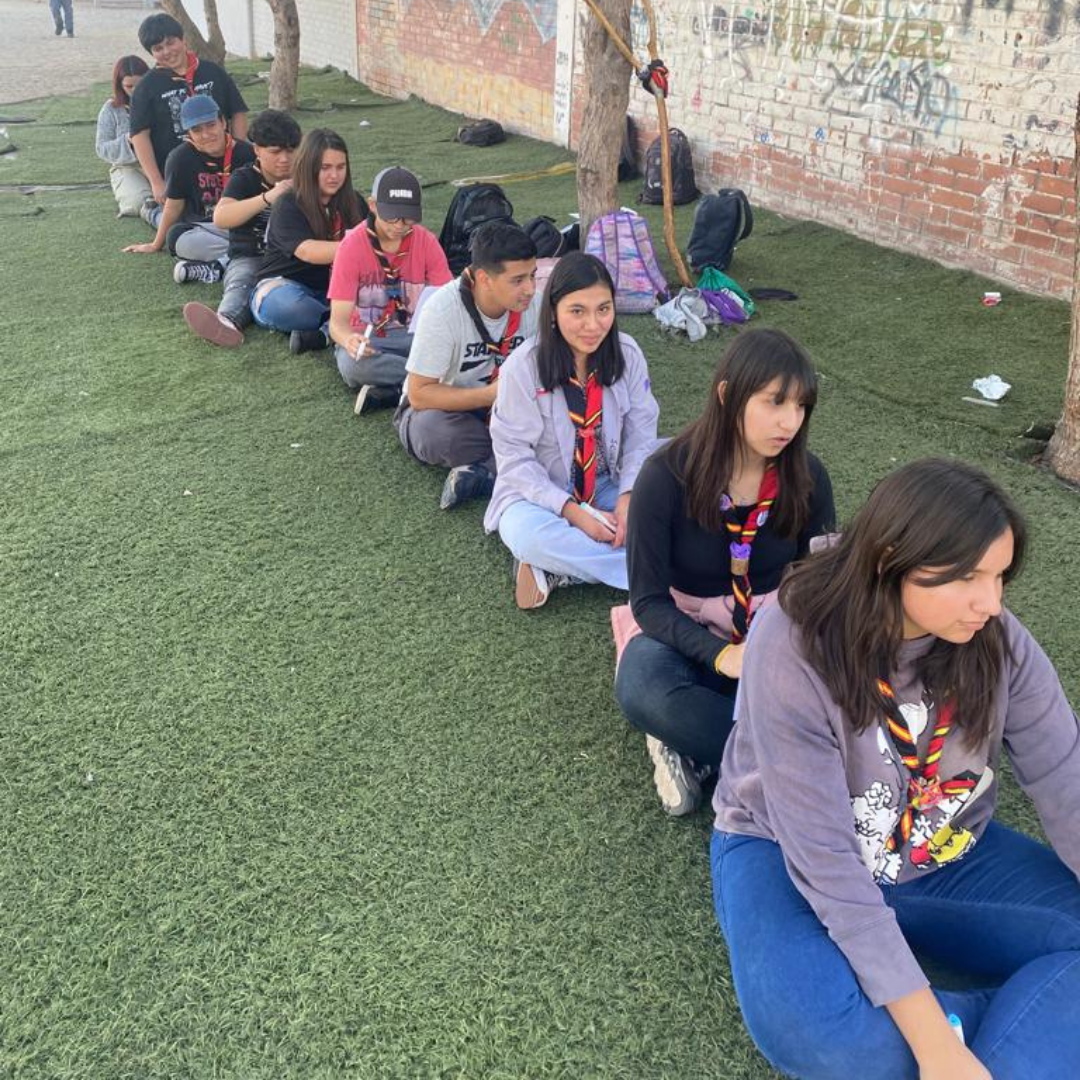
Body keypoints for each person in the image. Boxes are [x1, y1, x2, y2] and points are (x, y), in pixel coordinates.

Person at [711, 458, 1080, 1080]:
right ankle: (1010, 1029)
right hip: (785, 853)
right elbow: (826, 862)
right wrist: (935, 1046)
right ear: (891, 559)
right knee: (818, 1034)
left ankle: (984, 1043)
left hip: (940, 848)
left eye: (999, 577)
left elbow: (1066, 777)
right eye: (968, 577)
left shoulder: (996, 639)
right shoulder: (793, 642)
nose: (990, 603)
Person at [616, 328, 834, 815]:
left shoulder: (807, 476)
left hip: (776, 632)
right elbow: (648, 602)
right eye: (774, 401)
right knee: (642, 685)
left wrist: (785, 647)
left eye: (800, 406)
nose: (790, 421)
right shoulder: (664, 476)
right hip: (687, 633)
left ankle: (707, 754)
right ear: (726, 394)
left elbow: (818, 582)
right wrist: (722, 655)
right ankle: (795, 769)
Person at [483, 252, 659, 609]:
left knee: (678, 495)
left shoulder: (627, 354)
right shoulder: (523, 367)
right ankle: (659, 575)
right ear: (553, 311)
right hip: (538, 494)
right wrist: (572, 513)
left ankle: (560, 571)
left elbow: (642, 434)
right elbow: (514, 458)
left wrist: (628, 497)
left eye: (603, 309)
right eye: (577, 311)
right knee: (527, 536)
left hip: (608, 481)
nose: (593, 325)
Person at [395, 222, 539, 510]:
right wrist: (489, 395)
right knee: (435, 432)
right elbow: (420, 394)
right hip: (446, 412)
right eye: (518, 280)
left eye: (533, 275)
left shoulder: (534, 306)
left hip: (507, 411)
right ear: (484, 279)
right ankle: (514, 464)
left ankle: (486, 472)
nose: (531, 289)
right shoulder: (441, 310)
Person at [327, 166, 452, 414]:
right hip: (370, 338)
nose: (400, 225)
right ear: (373, 206)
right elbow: (337, 324)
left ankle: (398, 390)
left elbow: (448, 300)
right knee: (353, 366)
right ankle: (429, 383)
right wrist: (349, 340)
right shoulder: (351, 246)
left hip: (416, 335)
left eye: (408, 218)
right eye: (392, 217)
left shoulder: (426, 241)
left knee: (452, 351)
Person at [182, 109, 301, 348]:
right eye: (275, 152)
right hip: (252, 255)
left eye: (291, 150)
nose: (284, 159)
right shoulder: (245, 177)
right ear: (257, 150)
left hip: (296, 258)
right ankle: (226, 322)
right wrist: (268, 197)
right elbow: (222, 217)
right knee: (243, 281)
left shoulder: (306, 176)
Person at [250, 128, 363, 352]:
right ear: (309, 167)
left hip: (337, 292)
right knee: (292, 307)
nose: (334, 175)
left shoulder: (354, 201)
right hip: (284, 286)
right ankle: (334, 328)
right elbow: (308, 251)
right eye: (325, 168)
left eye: (340, 167)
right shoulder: (288, 202)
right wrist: (362, 246)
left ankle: (325, 333)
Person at [121, 95, 255, 276]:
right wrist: (156, 244)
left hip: (241, 225)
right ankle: (247, 256)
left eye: (211, 125)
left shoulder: (248, 153)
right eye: (196, 130)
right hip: (203, 228)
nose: (206, 135)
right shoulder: (180, 159)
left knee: (261, 235)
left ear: (223, 122)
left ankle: (220, 265)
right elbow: (174, 206)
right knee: (176, 237)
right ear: (188, 134)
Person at [128, 13, 248, 208]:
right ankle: (153, 213)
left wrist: (238, 152)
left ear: (183, 40)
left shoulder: (213, 72)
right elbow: (139, 135)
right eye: (158, 48)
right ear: (151, 53)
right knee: (182, 218)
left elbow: (237, 111)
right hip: (178, 170)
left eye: (171, 43)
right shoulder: (146, 87)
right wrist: (156, 181)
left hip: (222, 163)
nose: (167, 51)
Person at [95, 56, 151, 218]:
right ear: (120, 85)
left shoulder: (159, 101)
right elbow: (101, 148)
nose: (135, 90)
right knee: (138, 202)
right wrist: (130, 140)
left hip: (160, 161)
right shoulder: (110, 109)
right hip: (127, 166)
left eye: (140, 84)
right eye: (129, 86)